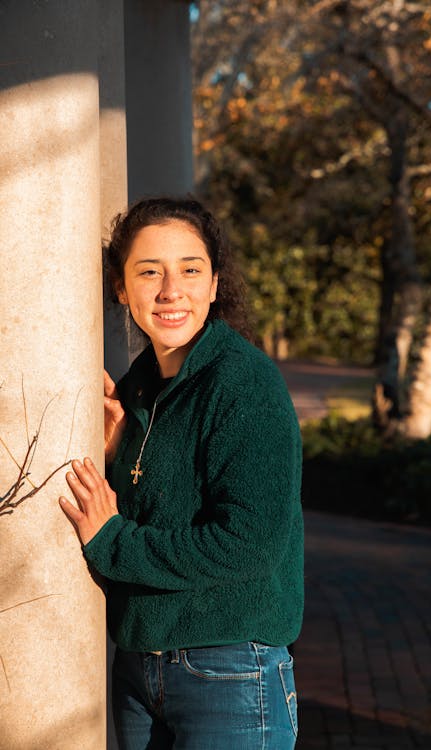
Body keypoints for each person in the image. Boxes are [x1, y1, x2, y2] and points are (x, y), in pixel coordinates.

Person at [59, 196, 304, 749]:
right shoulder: (140, 387)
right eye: (149, 272)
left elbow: (247, 545)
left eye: (190, 270)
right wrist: (116, 452)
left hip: (230, 672)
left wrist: (111, 542)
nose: (171, 291)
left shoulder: (244, 385)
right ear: (122, 289)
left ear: (214, 284)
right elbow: (158, 505)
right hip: (139, 672)